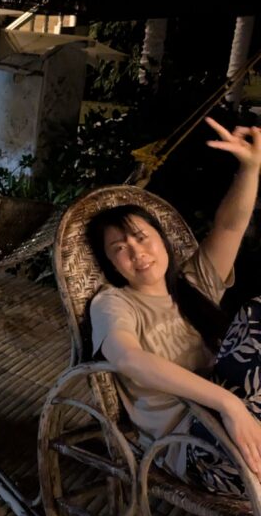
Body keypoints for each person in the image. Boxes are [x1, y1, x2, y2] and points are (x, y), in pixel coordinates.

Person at [88, 116, 261, 496]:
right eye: (119, 248)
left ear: (162, 240)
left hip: (246, 423)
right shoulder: (114, 303)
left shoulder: (195, 284)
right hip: (195, 447)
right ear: (112, 265)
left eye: (141, 237)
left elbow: (230, 227)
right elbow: (129, 359)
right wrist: (229, 404)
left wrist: (250, 169)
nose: (136, 252)